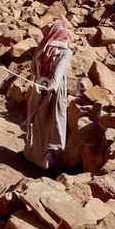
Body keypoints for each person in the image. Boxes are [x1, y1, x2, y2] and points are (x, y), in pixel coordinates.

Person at [24, 18, 74, 172]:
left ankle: (33, 157)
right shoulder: (65, 52)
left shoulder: (41, 49)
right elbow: (57, 77)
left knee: (38, 125)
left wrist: (42, 83)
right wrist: (50, 87)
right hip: (55, 92)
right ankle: (52, 164)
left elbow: (33, 71)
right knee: (55, 125)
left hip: (38, 90)